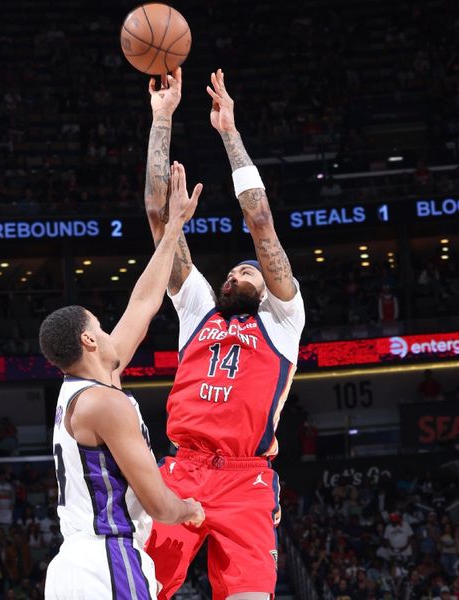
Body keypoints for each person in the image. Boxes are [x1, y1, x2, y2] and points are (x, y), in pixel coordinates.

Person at [142, 68, 305, 599]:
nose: (239, 273)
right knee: (140, 588)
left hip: (246, 478)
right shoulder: (199, 312)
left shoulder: (283, 321)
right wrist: (161, 118)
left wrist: (228, 132)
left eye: (250, 271)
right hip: (181, 470)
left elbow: (260, 220)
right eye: (233, 271)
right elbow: (156, 213)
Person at [40, 161, 205, 600]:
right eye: (101, 325)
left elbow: (144, 302)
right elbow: (158, 505)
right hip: (106, 558)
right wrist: (190, 509)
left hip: (76, 564)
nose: (112, 330)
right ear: (89, 339)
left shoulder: (93, 386)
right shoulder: (104, 404)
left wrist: (173, 230)